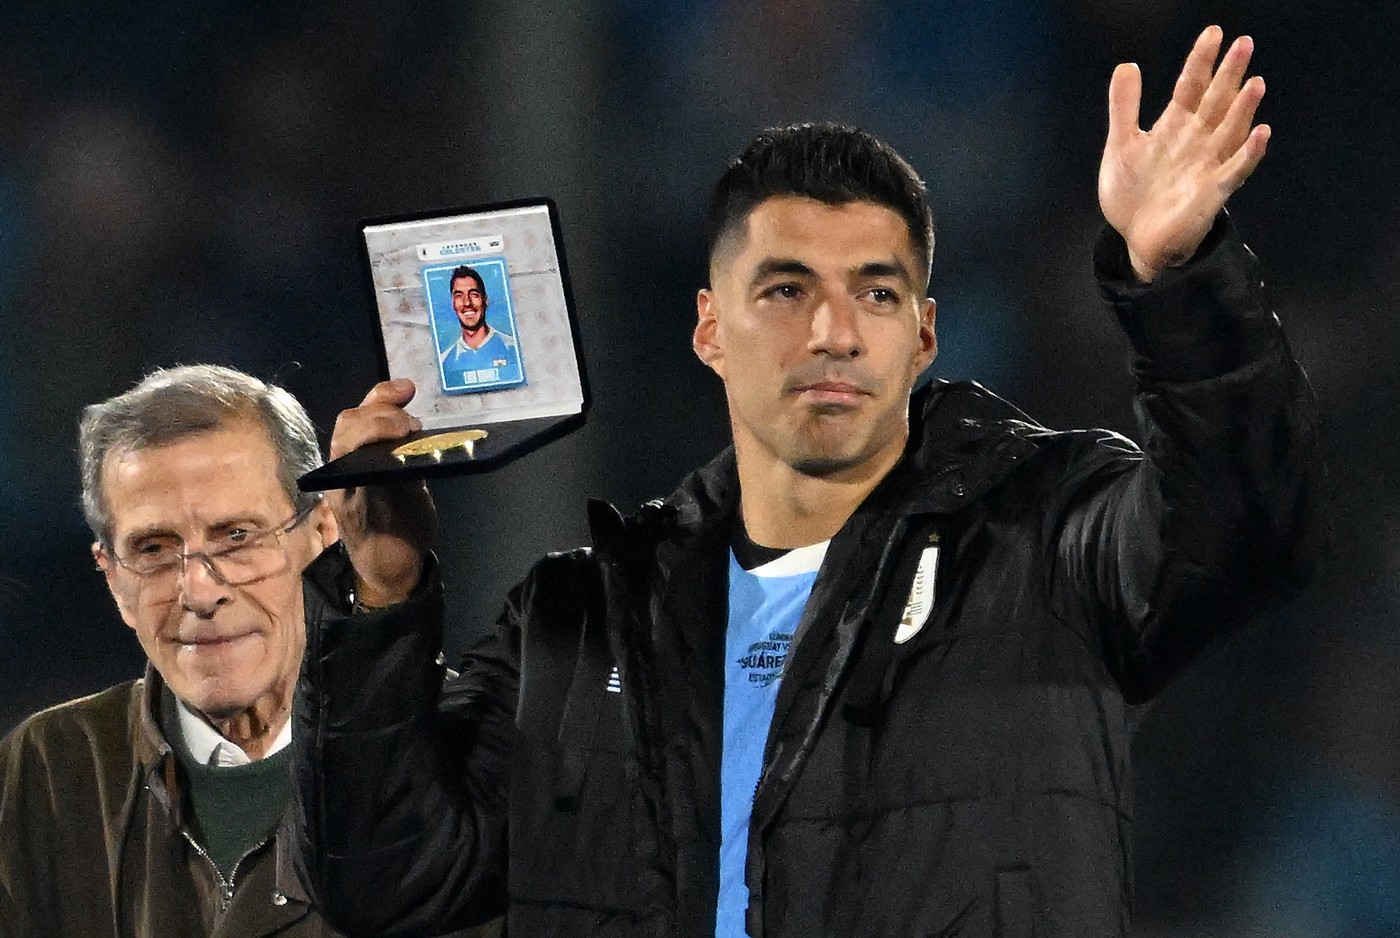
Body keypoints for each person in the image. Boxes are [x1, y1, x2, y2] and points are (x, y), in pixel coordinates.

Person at [294, 28, 1323, 937]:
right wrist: (378, 600)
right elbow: (386, 881)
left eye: (873, 291)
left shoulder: (1042, 535)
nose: (832, 331)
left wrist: (1176, 281)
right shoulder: (580, 618)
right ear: (708, 328)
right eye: (785, 289)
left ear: (921, 334)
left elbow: (1237, 526)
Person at [0, 366, 493, 938]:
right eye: (154, 548)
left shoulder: (467, 753)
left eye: (237, 536)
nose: (200, 592)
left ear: (325, 531)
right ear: (113, 580)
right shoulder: (48, 773)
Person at [438, 265, 523, 391]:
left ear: (485, 300)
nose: (467, 303)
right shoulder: (444, 361)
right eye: (459, 296)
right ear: (453, 304)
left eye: (474, 294)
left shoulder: (513, 349)